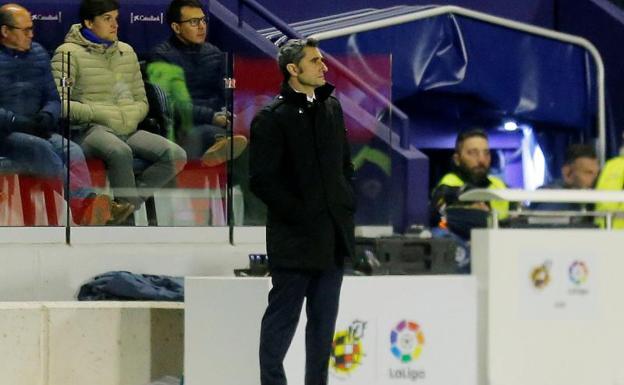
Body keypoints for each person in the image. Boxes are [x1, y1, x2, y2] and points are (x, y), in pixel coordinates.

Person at [250, 38, 355, 385]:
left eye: (322, 60)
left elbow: (344, 166)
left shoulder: (332, 108)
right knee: (282, 322)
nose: (324, 67)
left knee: (324, 328)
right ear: (293, 70)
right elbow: (261, 181)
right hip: (294, 242)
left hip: (332, 238)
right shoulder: (271, 118)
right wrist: (302, 214)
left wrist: (342, 206)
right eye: (314, 61)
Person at [0, 3, 133, 225]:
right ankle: (86, 205)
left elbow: (54, 98)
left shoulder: (39, 54)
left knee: (73, 150)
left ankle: (86, 209)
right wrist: (18, 122)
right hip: (6, 134)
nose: (31, 35)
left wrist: (47, 116)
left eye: (32, 29)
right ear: (5, 32)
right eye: (25, 30)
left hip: (37, 128)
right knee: (40, 147)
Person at [50, 0, 187, 215]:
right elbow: (59, 103)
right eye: (107, 19)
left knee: (175, 155)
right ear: (88, 23)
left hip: (127, 127)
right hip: (88, 129)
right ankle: (125, 217)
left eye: (115, 18)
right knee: (120, 152)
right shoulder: (67, 53)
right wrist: (101, 114)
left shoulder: (127, 52)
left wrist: (130, 116)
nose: (115, 24)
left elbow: (142, 99)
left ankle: (123, 208)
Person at [146, 0, 247, 166]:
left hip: (219, 117)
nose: (201, 27)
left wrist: (231, 108)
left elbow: (227, 92)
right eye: (193, 22)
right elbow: (171, 105)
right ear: (176, 27)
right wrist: (212, 117)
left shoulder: (213, 52)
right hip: (186, 125)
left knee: (260, 109)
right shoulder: (160, 56)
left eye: (203, 20)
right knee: (212, 134)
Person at [430, 128, 507, 272]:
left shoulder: (500, 186)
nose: (481, 160)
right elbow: (441, 222)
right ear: (457, 159)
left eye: (486, 153)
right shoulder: (449, 186)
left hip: (502, 252)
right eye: (473, 153)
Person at [531, 144, 599, 214]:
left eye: (597, 174)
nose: (596, 179)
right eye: (588, 173)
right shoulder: (553, 204)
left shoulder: (590, 203)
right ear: (567, 174)